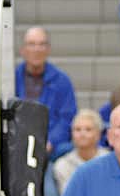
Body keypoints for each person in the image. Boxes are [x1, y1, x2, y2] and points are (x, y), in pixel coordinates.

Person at [15, 26, 77, 160]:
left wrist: (51, 142)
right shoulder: (12, 78)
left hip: (50, 149)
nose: (37, 49)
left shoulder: (62, 81)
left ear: (48, 49)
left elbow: (67, 118)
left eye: (42, 44)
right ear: (23, 50)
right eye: (32, 44)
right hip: (17, 145)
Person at [53, 109, 108, 195]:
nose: (82, 134)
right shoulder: (62, 165)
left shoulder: (111, 161)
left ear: (98, 134)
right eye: (78, 130)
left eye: (88, 129)